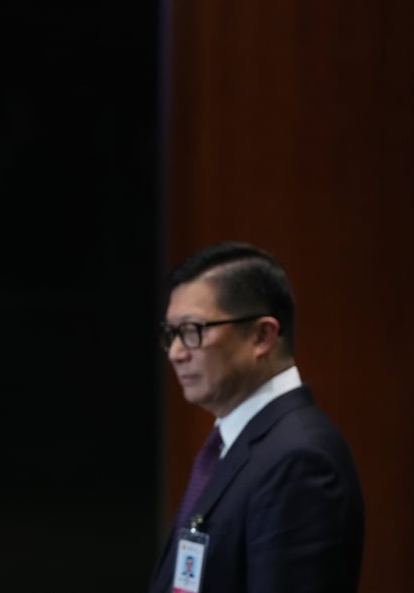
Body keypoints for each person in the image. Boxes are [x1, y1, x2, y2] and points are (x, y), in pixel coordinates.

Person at [148, 242, 364, 592]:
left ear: (262, 335)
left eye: (192, 330)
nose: (175, 352)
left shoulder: (299, 459)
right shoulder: (233, 444)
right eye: (171, 334)